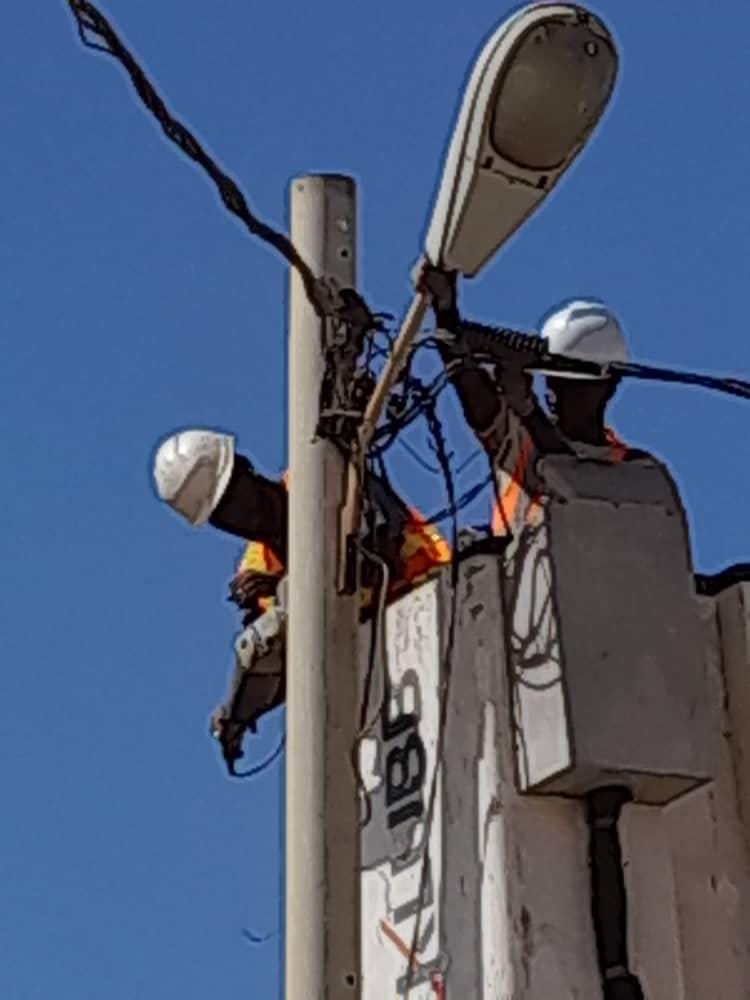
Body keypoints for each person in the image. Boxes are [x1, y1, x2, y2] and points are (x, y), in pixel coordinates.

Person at [151, 430, 450, 770]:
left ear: (247, 470)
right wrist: (237, 714)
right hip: (377, 668)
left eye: (239, 500)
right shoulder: (256, 565)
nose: (243, 518)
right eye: (227, 516)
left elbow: (376, 560)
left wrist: (282, 584)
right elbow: (282, 659)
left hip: (436, 602)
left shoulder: (320, 479)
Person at [415, 264, 642, 551]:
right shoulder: (521, 444)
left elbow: (578, 487)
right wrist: (446, 314)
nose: (552, 392)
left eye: (568, 385)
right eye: (550, 380)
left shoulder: (634, 470)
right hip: (521, 589)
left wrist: (528, 410)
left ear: (609, 386)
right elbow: (477, 398)